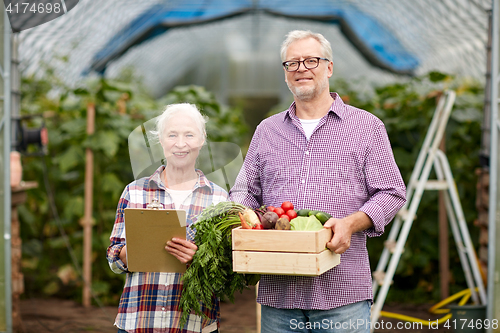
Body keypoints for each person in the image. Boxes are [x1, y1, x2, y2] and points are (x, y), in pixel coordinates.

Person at [229, 30, 406, 333]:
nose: (301, 69)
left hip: (342, 293)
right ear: (285, 73)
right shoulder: (267, 130)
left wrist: (350, 223)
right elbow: (244, 191)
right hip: (279, 294)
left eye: (311, 60)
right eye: (292, 63)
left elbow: (391, 192)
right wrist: (244, 220)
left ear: (329, 67)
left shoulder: (366, 127)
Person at [107, 103, 228, 333]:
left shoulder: (219, 199)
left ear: (202, 140)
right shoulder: (135, 192)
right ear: (161, 141)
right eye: (172, 135)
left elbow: (226, 274)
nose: (180, 144)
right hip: (140, 321)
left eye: (189, 135)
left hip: (194, 325)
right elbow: (113, 257)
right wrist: (132, 252)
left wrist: (199, 260)